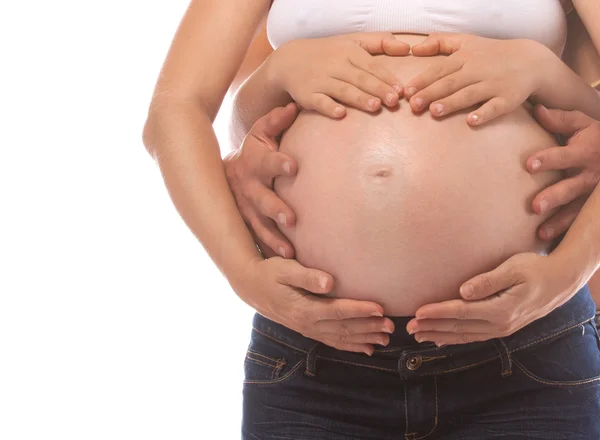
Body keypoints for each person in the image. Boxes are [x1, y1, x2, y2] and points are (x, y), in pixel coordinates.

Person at [142, 0, 600, 437]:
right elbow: (176, 109)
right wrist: (243, 272)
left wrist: (568, 271)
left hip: (524, 346)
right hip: (312, 351)